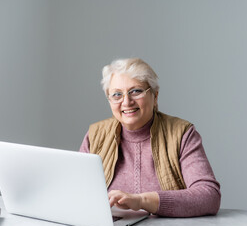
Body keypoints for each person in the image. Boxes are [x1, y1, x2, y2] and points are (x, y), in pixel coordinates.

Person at [79, 58, 221, 217]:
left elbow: (209, 197)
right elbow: (76, 191)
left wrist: (141, 201)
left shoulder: (182, 133)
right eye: (117, 94)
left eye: (136, 91)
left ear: (155, 96)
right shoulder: (95, 135)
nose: (126, 102)